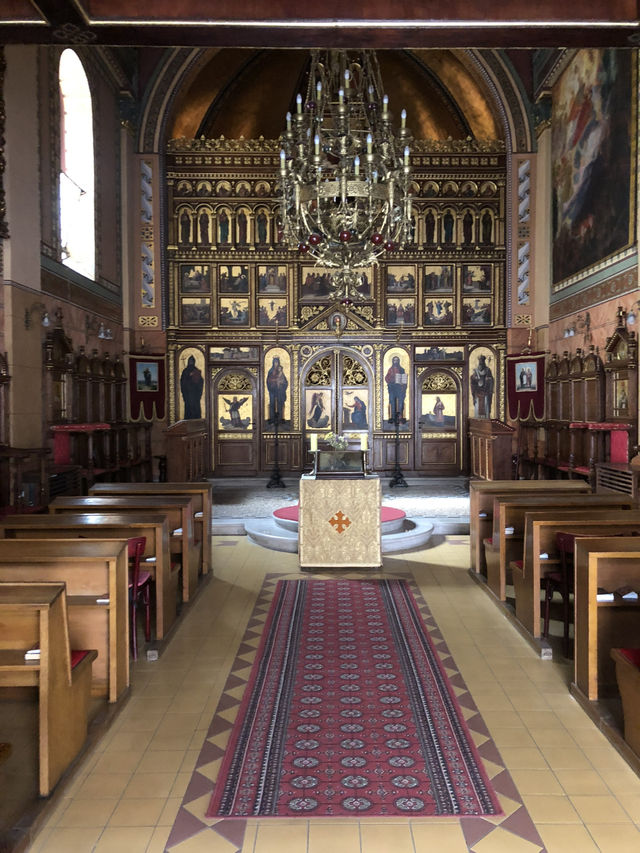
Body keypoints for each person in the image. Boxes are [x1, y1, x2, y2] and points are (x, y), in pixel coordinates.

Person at [180, 355, 204, 419]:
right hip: (187, 393)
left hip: (195, 393)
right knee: (188, 407)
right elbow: (182, 381)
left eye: (192, 361)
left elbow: (201, 381)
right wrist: (189, 376)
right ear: (188, 362)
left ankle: (196, 419)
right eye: (190, 361)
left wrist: (197, 379)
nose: (191, 362)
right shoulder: (185, 371)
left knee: (195, 407)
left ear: (194, 362)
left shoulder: (196, 370)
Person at [470, 354, 494, 418]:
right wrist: (474, 378)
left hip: (485, 391)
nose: (481, 363)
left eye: (482, 361)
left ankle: (485, 419)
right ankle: (478, 419)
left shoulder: (488, 370)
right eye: (480, 362)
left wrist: (488, 379)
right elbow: (472, 380)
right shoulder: (476, 371)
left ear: (484, 362)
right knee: (478, 405)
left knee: (485, 404)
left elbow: (491, 380)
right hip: (478, 392)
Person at [385, 355, 407, 422]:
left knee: (400, 402)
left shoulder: (402, 369)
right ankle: (393, 417)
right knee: (392, 401)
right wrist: (391, 377)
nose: (396, 361)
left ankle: (400, 417)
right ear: (392, 361)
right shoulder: (390, 369)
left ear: (399, 361)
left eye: (397, 360)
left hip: (400, 388)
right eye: (394, 360)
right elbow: (386, 378)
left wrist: (402, 384)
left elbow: (404, 379)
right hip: (392, 388)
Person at [266, 356, 288, 423]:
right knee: (272, 403)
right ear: (273, 363)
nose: (276, 364)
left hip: (279, 390)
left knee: (280, 403)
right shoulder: (271, 371)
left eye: (277, 362)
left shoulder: (280, 371)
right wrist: (275, 380)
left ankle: (280, 418)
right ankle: (272, 419)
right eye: (275, 362)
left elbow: (285, 381)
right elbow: (268, 380)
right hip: (272, 390)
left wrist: (282, 383)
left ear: (278, 363)